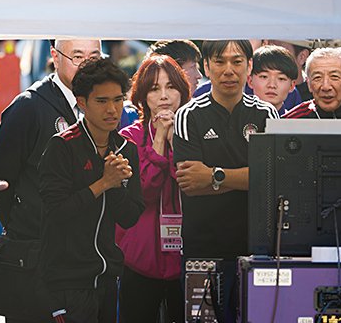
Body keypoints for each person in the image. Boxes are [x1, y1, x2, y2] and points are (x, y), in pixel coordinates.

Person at [0, 39, 102, 322]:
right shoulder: (29, 107)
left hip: (87, 266)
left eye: (94, 56)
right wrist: (33, 225)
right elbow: (1, 184)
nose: (87, 65)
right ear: (55, 55)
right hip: (37, 267)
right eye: (77, 56)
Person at [173, 39, 279, 322]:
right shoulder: (188, 115)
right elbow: (191, 185)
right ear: (207, 67)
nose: (228, 70)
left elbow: (272, 180)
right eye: (220, 61)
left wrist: (214, 175)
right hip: (203, 252)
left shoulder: (266, 114)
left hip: (256, 250)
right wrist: (248, 176)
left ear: (249, 66)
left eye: (237, 61)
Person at [38, 57, 144, 323]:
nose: (112, 109)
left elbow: (130, 217)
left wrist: (115, 184)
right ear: (82, 103)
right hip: (67, 282)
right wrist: (103, 183)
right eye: (102, 101)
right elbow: (55, 213)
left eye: (118, 100)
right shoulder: (62, 146)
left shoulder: (126, 148)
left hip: (108, 277)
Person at [116, 54, 190, 323]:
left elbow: (191, 186)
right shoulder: (129, 138)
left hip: (187, 256)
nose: (164, 96)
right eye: (155, 89)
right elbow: (143, 192)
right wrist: (159, 138)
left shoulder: (193, 133)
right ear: (142, 96)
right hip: (139, 258)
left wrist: (176, 141)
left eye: (171, 87)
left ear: (182, 92)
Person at [247, 45, 298, 115]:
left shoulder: (294, 121)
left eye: (281, 78)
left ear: (292, 86)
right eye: (264, 77)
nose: (272, 85)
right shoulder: (238, 119)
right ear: (250, 81)